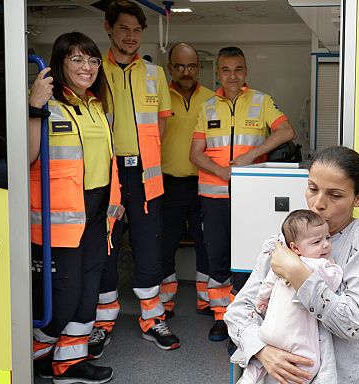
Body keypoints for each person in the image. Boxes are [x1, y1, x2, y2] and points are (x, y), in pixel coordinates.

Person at [225, 146, 359, 384]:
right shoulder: (282, 239)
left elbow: (353, 322)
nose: (318, 203)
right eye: (312, 188)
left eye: (335, 195)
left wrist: (299, 274)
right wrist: (263, 351)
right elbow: (238, 312)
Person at [28, 31, 123, 384]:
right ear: (60, 62)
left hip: (97, 213)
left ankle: (69, 362)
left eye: (93, 60)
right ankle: (36, 353)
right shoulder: (45, 104)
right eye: (77, 59)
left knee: (88, 291)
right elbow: (28, 157)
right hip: (60, 219)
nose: (87, 67)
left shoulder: (95, 106)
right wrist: (35, 107)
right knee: (64, 298)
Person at [190, 46, 296, 342]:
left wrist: (251, 156)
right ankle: (222, 317)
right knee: (218, 256)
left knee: (251, 257)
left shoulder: (261, 101)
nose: (232, 75)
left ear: (245, 71)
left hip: (251, 197)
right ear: (218, 73)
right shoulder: (207, 106)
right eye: (226, 70)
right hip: (213, 197)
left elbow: (286, 132)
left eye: (238, 69)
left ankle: (248, 316)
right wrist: (221, 171)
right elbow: (195, 154)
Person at [90, 0, 178, 357]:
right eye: (123, 29)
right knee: (106, 247)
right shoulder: (94, 71)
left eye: (137, 30)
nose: (130, 37)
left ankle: (152, 318)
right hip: (106, 174)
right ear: (108, 29)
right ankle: (102, 321)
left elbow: (162, 123)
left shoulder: (155, 74)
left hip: (145, 174)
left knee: (148, 247)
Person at [232, 209, 342, 384]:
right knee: (311, 363)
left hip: (269, 331)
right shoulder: (319, 265)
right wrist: (332, 269)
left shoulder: (281, 262)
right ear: (296, 247)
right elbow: (333, 282)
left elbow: (266, 285)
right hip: (295, 335)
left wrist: (262, 301)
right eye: (317, 242)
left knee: (262, 357)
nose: (326, 245)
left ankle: (248, 377)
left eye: (327, 238)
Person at [159, 43, 214, 319]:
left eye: (191, 65)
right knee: (166, 243)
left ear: (198, 67)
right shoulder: (160, 96)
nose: (186, 71)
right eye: (179, 65)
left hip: (204, 183)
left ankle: (206, 300)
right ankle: (165, 302)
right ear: (170, 67)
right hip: (169, 183)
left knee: (206, 242)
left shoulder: (212, 98)